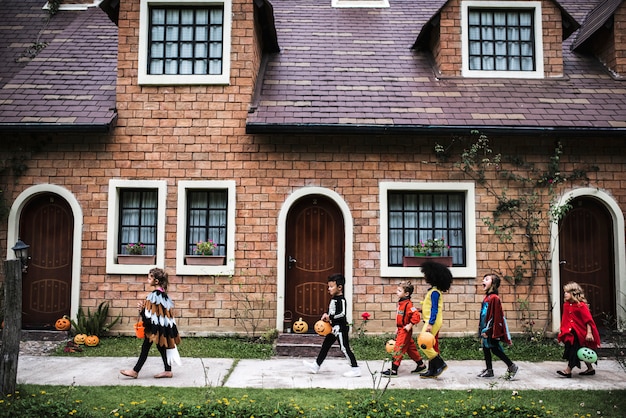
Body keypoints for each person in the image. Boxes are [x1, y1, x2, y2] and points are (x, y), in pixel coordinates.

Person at [120, 268, 182, 379]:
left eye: (150, 278)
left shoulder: (153, 296)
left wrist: (142, 310)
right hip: (161, 329)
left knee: (148, 347)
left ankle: (135, 371)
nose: (148, 280)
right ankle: (167, 370)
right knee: (160, 347)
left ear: (156, 281)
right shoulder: (164, 295)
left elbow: (149, 317)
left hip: (154, 329)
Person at [303, 273, 361, 377]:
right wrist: (326, 315)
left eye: (331, 287)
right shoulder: (333, 299)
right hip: (332, 328)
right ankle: (315, 366)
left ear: (339, 287)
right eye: (328, 286)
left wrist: (331, 317)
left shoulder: (341, 300)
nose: (329, 289)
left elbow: (342, 314)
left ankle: (355, 368)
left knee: (344, 347)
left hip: (341, 328)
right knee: (325, 345)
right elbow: (332, 311)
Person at [478, 273, 519, 379]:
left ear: (493, 284)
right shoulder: (487, 297)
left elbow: (495, 316)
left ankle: (511, 366)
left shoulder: (494, 298)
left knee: (495, 349)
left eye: (486, 279)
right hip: (484, 328)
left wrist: (488, 331)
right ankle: (489, 369)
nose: (483, 281)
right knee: (486, 348)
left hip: (490, 329)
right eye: (483, 279)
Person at [382, 281, 426, 376]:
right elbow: (401, 317)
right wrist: (398, 327)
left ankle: (393, 370)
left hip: (405, 330)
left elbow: (416, 315)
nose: (396, 292)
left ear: (406, 293)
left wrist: (410, 325)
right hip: (401, 329)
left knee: (398, 348)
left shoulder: (408, 304)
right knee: (411, 349)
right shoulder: (401, 303)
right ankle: (421, 365)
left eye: (399, 290)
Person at [557, 282, 601, 378]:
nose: (565, 294)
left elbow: (588, 320)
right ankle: (590, 369)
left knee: (574, 350)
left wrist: (589, 333)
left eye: (568, 292)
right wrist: (562, 330)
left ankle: (568, 371)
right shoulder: (566, 305)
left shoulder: (581, 306)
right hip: (570, 332)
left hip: (580, 332)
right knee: (580, 350)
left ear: (574, 293)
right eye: (565, 292)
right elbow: (565, 319)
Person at [417, 261, 452, 378]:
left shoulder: (435, 293)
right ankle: (432, 370)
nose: (425, 276)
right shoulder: (433, 291)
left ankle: (440, 364)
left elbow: (434, 309)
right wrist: (421, 310)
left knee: (423, 342)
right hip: (430, 320)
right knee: (430, 344)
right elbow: (429, 307)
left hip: (433, 321)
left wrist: (430, 324)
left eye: (426, 274)